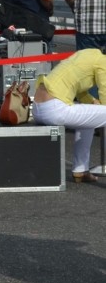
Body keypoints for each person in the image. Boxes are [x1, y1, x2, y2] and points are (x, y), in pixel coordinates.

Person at [32, 48, 106, 183]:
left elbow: (79, 91)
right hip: (54, 108)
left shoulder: (87, 54)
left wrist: (94, 102)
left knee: (89, 119)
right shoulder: (103, 62)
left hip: (38, 108)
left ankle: (80, 170)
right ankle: (81, 169)